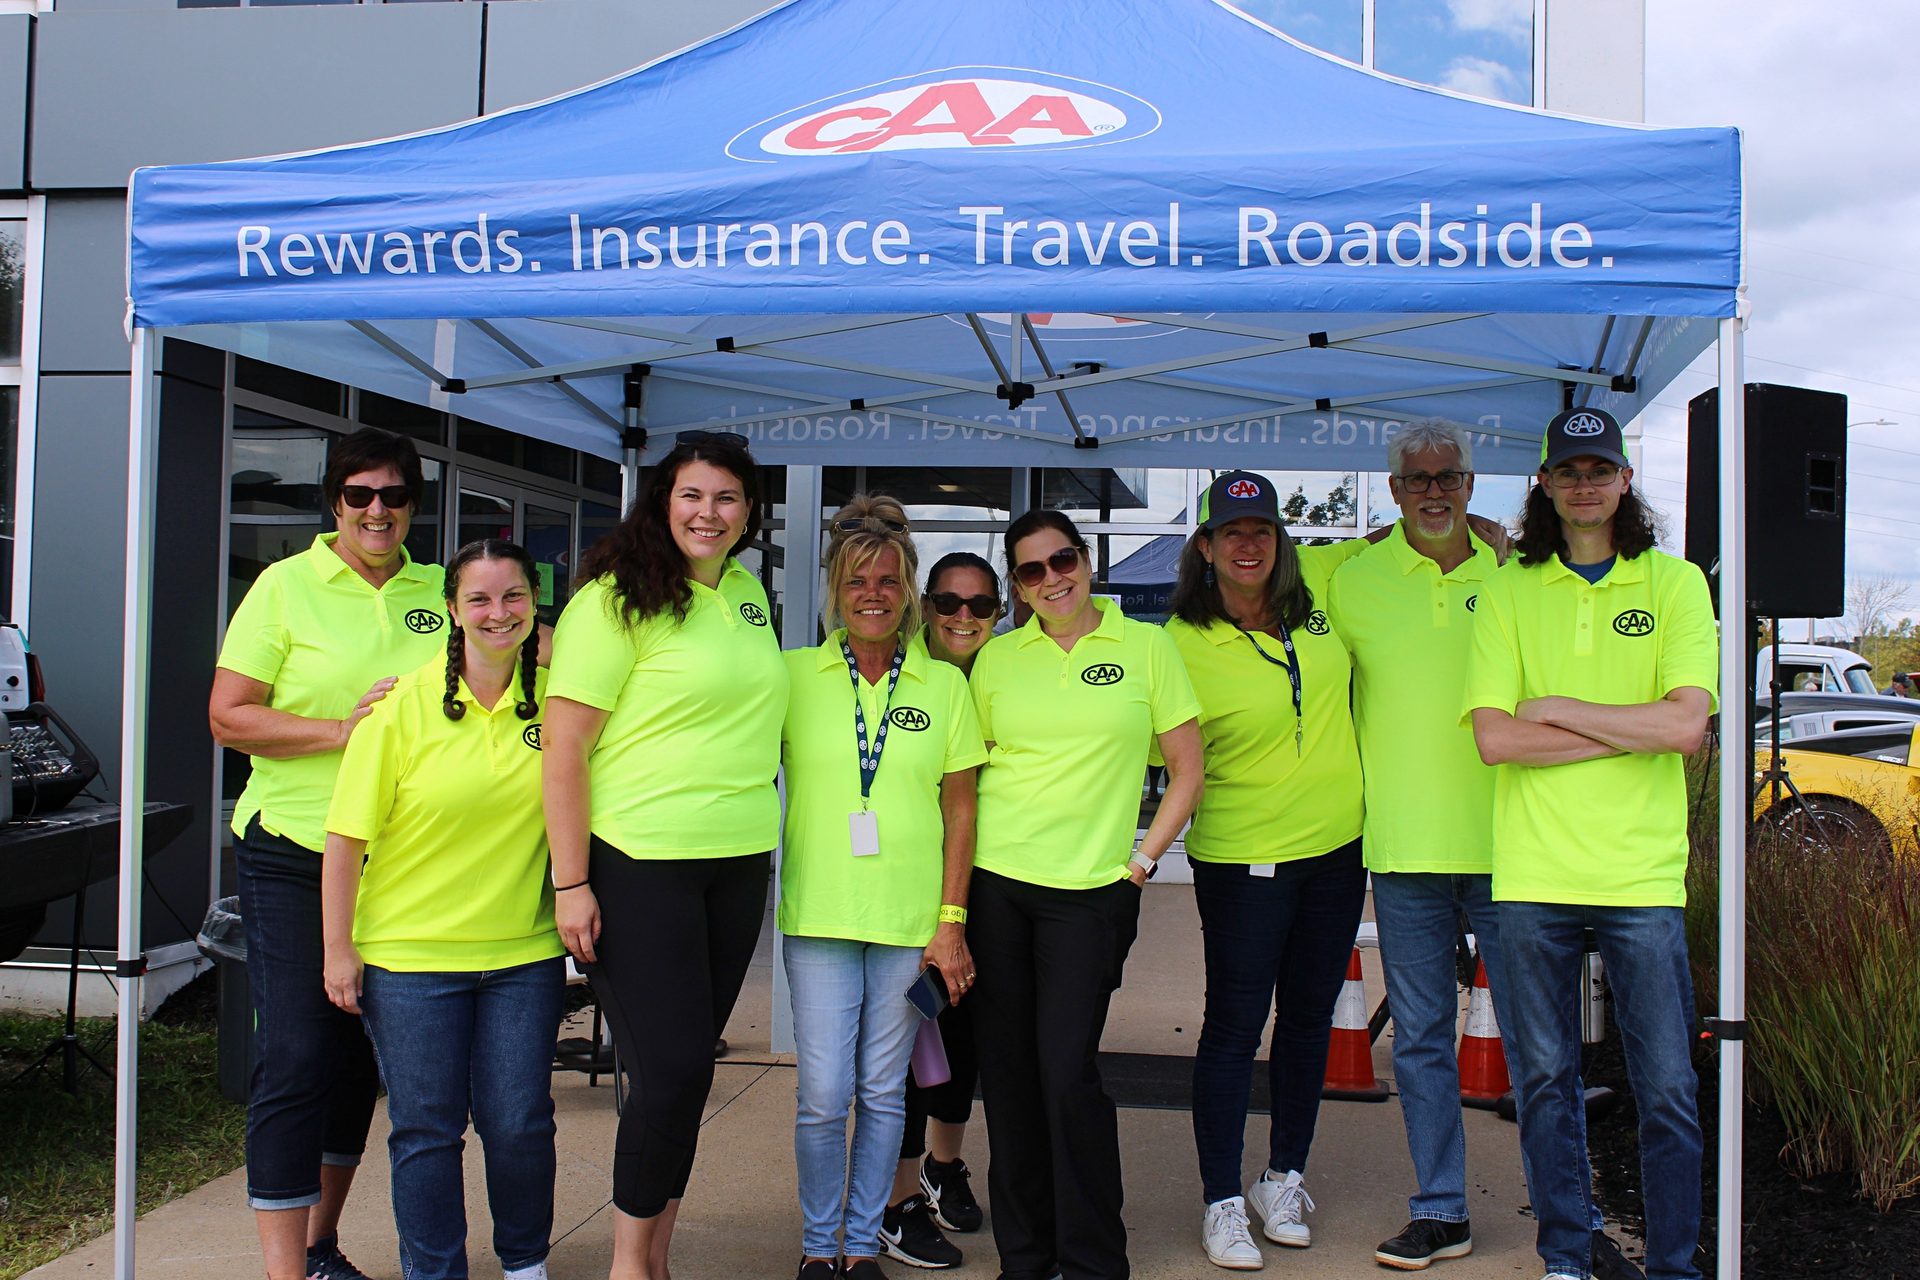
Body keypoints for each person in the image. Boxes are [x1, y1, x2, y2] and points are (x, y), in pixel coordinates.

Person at [1466, 407, 1716, 1280]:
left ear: (1624, 481)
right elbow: (1495, 739)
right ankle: (1568, 1253)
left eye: (1599, 470)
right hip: (1534, 873)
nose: (1585, 485)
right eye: (1568, 471)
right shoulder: (1506, 590)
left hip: (1641, 877)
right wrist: (1629, 729)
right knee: (1543, 1088)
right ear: (1543, 483)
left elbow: (1688, 727)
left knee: (1670, 1094)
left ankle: (1675, 1265)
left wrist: (1559, 708)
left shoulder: (1676, 584)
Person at [542, 432, 789, 1280]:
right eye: (691, 495)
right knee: (673, 1072)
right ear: (661, 500)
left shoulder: (750, 594)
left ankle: (658, 1257)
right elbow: (565, 750)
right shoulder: (612, 602)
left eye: (726, 498)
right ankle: (626, 1266)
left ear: (749, 512)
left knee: (685, 1075)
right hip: (637, 861)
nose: (708, 513)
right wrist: (570, 882)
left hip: (735, 862)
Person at [209, 427, 444, 1280]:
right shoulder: (283, 587)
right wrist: (340, 731)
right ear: (334, 503)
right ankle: (283, 1272)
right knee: (298, 1055)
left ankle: (319, 1244)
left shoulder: (441, 590)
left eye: (392, 495)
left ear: (414, 501)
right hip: (295, 849)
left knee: (354, 1062)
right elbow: (228, 714)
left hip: (399, 861)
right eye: (359, 495)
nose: (377, 511)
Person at [967, 510, 1204, 1280]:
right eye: (1030, 572)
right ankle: (1025, 1260)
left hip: (1091, 894)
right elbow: (969, 780)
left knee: (1067, 1074)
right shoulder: (999, 661)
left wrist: (1140, 865)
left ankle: (1096, 1260)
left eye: (1061, 560)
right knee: (1007, 1078)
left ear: (1086, 560)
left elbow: (1187, 771)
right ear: (1018, 586)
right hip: (998, 888)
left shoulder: (1147, 646)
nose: (1051, 580)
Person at [319, 539, 563, 1280]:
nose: (499, 612)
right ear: (452, 611)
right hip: (411, 960)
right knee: (426, 1129)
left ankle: (525, 1264)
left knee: (519, 1124)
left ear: (532, 607)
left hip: (523, 953)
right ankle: (436, 1272)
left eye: (514, 596)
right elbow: (344, 840)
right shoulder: (398, 709)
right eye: (481, 599)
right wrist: (338, 948)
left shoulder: (559, 702)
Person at [1162, 471, 1370, 1271]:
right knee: (1234, 1028)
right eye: (1231, 532)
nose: (1248, 544)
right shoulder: (1176, 642)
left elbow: (1382, 542)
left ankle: (1281, 1178)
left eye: (1262, 530)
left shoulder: (1321, 611)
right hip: (1242, 860)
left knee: (1310, 1021)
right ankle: (1221, 1200)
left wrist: (1488, 534)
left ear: (1280, 542)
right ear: (1206, 547)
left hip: (1335, 853)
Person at [779, 498, 988, 1280]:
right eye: (859, 580)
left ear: (908, 595)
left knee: (881, 1089)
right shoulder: (794, 675)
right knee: (825, 1095)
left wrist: (950, 920)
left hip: (909, 922)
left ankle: (863, 1246)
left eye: (890, 581)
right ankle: (816, 1243)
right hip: (821, 915)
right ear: (836, 589)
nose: (874, 594)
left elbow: (959, 808)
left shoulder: (942, 687)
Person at [1327, 420, 1504, 1270]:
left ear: (1471, 485)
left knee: (1540, 1042)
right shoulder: (1353, 577)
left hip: (1515, 846)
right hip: (1401, 853)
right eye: (1417, 478)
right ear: (1393, 491)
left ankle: (1569, 1216)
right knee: (1425, 1039)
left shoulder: (1518, 571)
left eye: (1449, 476)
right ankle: (1441, 1210)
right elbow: (1252, 577)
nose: (1435, 489)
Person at [881, 551, 1003, 1269]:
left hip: (992, 882)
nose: (964, 618)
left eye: (980, 605)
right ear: (924, 607)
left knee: (966, 1041)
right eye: (949, 604)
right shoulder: (900, 673)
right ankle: (896, 1201)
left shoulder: (1010, 669)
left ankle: (942, 1164)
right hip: (907, 886)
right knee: (906, 1048)